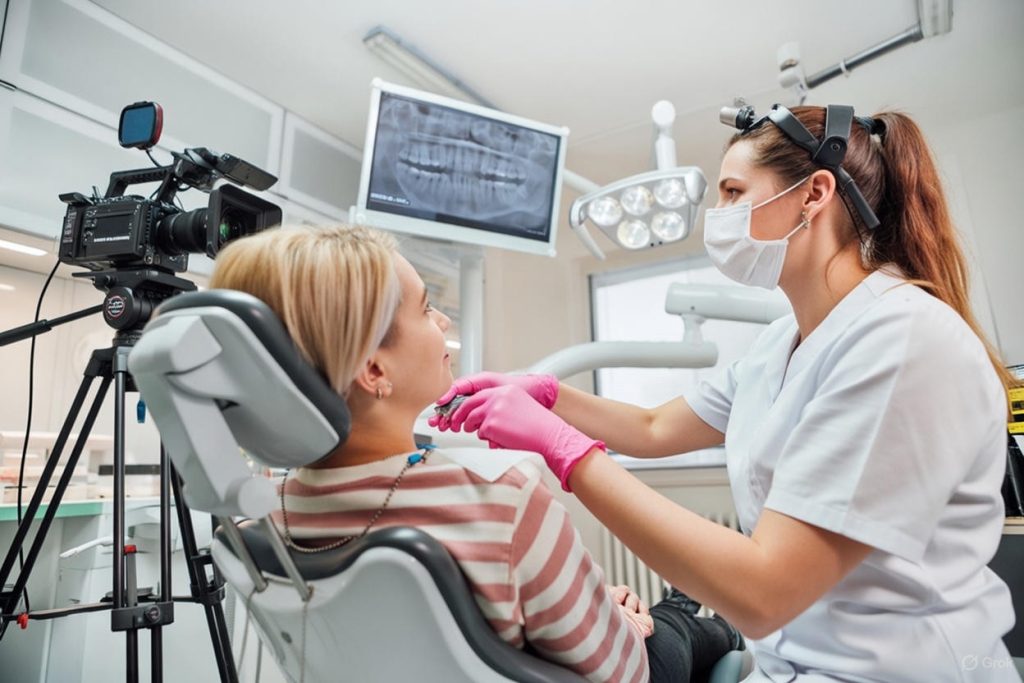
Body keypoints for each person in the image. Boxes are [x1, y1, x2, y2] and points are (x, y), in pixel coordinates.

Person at [434, 105, 1022, 682]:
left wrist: (565, 451)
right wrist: (548, 396)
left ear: (814, 195)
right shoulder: (779, 345)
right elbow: (654, 428)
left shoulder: (902, 342)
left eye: (734, 193)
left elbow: (767, 591)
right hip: (790, 660)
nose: (718, 216)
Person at [208, 224, 742, 683]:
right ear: (374, 370)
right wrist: (624, 621)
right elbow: (626, 672)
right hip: (629, 661)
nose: (441, 321)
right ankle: (690, 610)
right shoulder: (504, 504)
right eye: (424, 309)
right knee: (680, 627)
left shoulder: (264, 520)